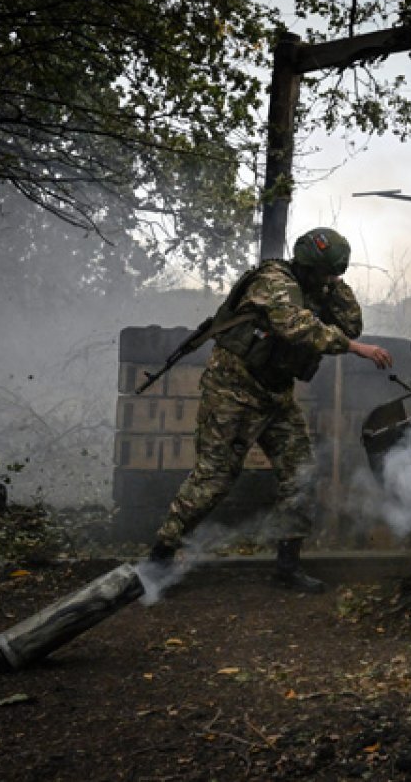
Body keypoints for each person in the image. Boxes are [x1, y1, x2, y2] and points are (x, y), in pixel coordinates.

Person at [148, 227, 392, 592]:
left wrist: (334, 285)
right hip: (233, 390)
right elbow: (296, 327)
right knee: (213, 480)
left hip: (275, 395)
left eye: (335, 273)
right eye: (327, 272)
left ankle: (287, 566)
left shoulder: (319, 287)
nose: (331, 279)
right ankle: (158, 559)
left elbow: (351, 324)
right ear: (309, 266)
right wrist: (357, 349)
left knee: (302, 475)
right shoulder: (272, 281)